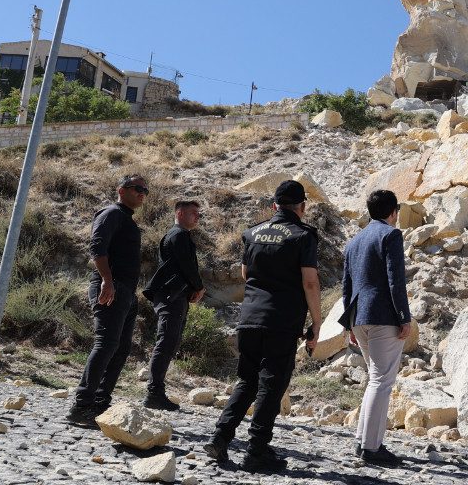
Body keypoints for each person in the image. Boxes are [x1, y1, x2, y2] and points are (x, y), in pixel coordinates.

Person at [206, 180, 321, 473]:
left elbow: (246, 273)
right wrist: (317, 322)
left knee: (247, 380)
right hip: (281, 321)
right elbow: (309, 281)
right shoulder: (303, 236)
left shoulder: (252, 233)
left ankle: (220, 437)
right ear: (302, 207)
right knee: (272, 384)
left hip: (249, 318)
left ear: (274, 207)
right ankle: (257, 450)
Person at [66, 173, 148, 428]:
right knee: (106, 344)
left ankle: (100, 404)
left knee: (121, 348)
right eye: (137, 188)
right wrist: (107, 280)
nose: (142, 193)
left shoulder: (127, 219)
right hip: (111, 287)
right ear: (121, 190)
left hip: (125, 291)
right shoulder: (111, 213)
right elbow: (97, 247)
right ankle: (82, 406)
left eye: (145, 190)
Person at [340, 188, 414, 466]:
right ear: (393, 212)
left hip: (359, 317)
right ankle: (371, 447)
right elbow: (396, 280)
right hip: (383, 316)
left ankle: (362, 441)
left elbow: (346, 286)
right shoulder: (391, 235)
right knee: (382, 381)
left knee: (374, 379)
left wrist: (349, 324)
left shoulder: (354, 241)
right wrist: (403, 316)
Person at [141, 199, 207, 411]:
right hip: (171, 296)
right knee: (167, 341)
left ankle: (156, 391)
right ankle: (154, 393)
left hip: (175, 296)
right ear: (179, 214)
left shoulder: (180, 235)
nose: (197, 217)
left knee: (170, 342)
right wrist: (199, 287)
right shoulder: (178, 235)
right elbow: (187, 266)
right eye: (193, 213)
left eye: (198, 213)